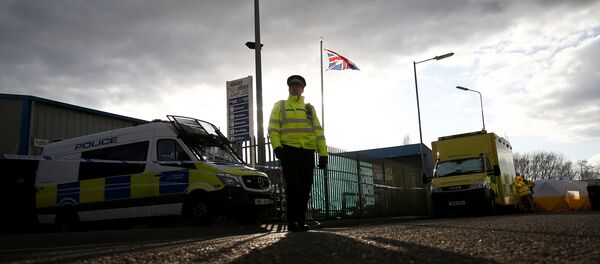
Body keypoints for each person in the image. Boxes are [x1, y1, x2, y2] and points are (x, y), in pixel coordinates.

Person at [268, 74, 328, 232]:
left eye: (298, 85)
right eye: (292, 85)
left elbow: (318, 132)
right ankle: (292, 222)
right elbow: (273, 129)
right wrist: (277, 147)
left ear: (302, 89)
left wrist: (323, 154)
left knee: (305, 187)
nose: (295, 87)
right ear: (289, 88)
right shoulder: (279, 106)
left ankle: (300, 221)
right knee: (293, 187)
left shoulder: (309, 109)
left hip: (307, 153)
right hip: (289, 151)